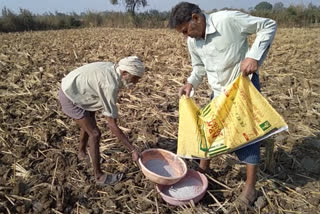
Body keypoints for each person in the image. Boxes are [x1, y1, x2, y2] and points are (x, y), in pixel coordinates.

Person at [169, 2, 277, 210]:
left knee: (247, 137)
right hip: (218, 92)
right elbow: (199, 67)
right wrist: (191, 82)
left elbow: (268, 25)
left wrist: (253, 56)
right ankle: (204, 171)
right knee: (207, 130)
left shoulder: (227, 20)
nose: (185, 36)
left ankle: (250, 188)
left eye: (185, 30)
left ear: (196, 18)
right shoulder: (194, 41)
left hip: (242, 88)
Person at [58, 56, 144, 185]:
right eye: (135, 78)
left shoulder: (113, 68)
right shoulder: (110, 85)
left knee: (88, 124)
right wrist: (132, 150)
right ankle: (99, 176)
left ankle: (82, 154)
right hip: (70, 95)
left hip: (81, 91)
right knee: (95, 133)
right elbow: (112, 125)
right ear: (125, 73)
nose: (136, 82)